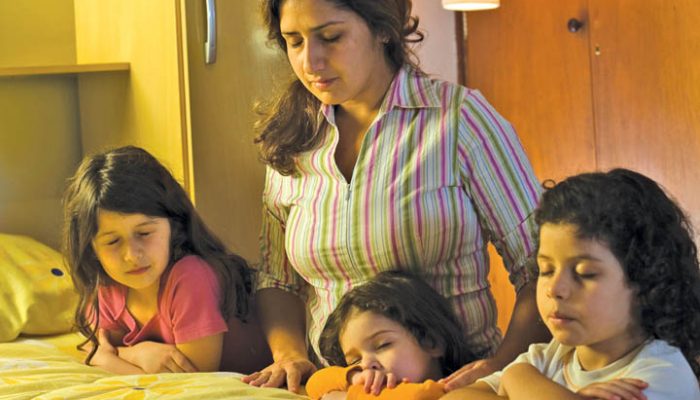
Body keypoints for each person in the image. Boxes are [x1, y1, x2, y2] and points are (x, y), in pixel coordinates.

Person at [242, 0, 549, 392]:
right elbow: (278, 279)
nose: (310, 60)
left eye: (331, 37)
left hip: (455, 388)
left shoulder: (459, 120)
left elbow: (540, 267)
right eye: (294, 41)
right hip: (340, 388)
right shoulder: (292, 139)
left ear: (384, 28)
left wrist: (499, 368)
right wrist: (289, 356)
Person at [443, 168, 700, 400]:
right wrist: (520, 376)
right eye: (546, 270)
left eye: (584, 273)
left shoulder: (662, 376)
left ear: (647, 281)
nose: (554, 289)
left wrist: (518, 381)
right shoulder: (549, 357)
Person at [63, 146, 272, 375]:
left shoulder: (190, 276)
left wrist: (119, 355)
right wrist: (138, 353)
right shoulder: (106, 286)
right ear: (91, 249)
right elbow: (95, 350)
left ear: (174, 225)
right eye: (112, 242)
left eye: (144, 234)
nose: (132, 255)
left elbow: (195, 376)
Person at [305, 270, 477, 399]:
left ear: (431, 342)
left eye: (382, 345)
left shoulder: (449, 391)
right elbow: (314, 384)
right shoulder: (367, 383)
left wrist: (349, 394)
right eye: (355, 360)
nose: (366, 364)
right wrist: (353, 376)